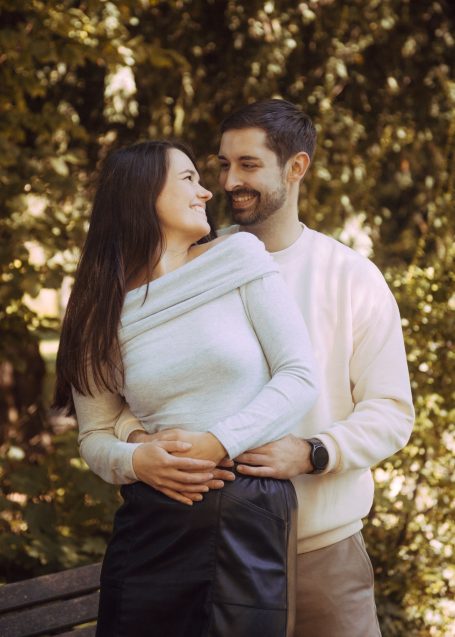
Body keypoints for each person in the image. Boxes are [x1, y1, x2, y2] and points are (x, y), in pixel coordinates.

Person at [114, 100, 415, 637]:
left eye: (248, 165)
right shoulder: (189, 268)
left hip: (321, 552)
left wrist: (313, 452)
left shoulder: (350, 276)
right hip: (209, 549)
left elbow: (391, 412)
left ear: (296, 167)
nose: (230, 181)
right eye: (223, 165)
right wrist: (138, 440)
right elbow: (133, 388)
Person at [54, 139, 319, 636]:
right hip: (151, 523)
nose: (207, 192)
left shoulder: (238, 257)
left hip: (245, 514)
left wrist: (217, 442)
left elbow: (299, 375)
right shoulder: (99, 306)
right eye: (189, 179)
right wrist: (138, 461)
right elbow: (95, 435)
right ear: (142, 192)